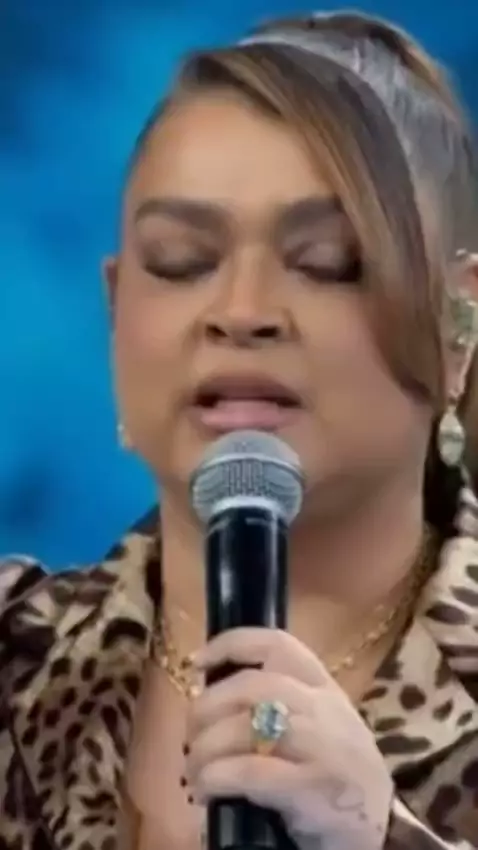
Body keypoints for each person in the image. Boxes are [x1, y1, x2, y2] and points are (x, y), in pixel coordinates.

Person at [1, 9, 478, 850]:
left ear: (457, 328)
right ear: (116, 313)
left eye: (325, 263)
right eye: (181, 261)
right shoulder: (17, 662)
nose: (242, 311)